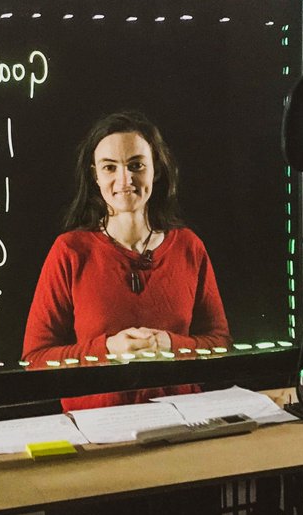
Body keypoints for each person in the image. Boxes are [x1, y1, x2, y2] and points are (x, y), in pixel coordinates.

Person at [22, 109, 231, 412]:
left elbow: (220, 344)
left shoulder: (189, 246)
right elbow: (36, 359)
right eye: (110, 168)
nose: (125, 179)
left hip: (183, 422)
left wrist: (170, 345)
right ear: (94, 175)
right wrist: (107, 349)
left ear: (156, 170)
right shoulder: (69, 251)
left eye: (136, 165)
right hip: (98, 429)